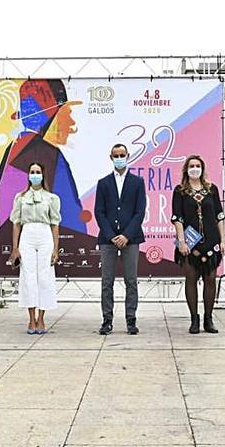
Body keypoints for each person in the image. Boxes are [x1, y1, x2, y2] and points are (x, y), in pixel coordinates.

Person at [94, 143, 147, 335]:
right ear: (111, 157)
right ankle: (107, 320)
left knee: (131, 280)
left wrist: (126, 235)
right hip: (108, 239)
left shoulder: (137, 182)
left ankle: (131, 320)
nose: (119, 158)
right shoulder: (103, 183)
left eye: (122, 155)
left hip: (131, 239)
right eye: (116, 155)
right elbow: (99, 212)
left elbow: (140, 211)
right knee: (106, 281)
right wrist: (111, 235)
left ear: (128, 156)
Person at [171, 156, 225, 334]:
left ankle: (208, 319)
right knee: (191, 279)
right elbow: (177, 218)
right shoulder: (180, 191)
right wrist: (181, 241)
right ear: (186, 170)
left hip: (211, 241)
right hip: (189, 242)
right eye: (191, 166)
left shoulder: (212, 190)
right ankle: (194, 319)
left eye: (198, 166)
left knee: (211, 279)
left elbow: (219, 216)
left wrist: (222, 240)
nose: (195, 169)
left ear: (203, 168)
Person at [8, 162, 61, 334]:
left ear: (43, 175)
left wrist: (55, 249)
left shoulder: (51, 198)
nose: (35, 175)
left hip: (45, 235)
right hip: (27, 234)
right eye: (32, 172)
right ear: (28, 175)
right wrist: (15, 248)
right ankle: (31, 319)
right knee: (28, 276)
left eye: (38, 172)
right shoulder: (20, 197)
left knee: (44, 276)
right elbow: (16, 223)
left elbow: (55, 224)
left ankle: (42, 319)